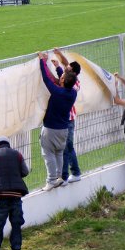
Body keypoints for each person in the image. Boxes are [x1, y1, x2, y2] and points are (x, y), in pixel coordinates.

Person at [38, 52, 78, 191]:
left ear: (62, 81)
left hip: (50, 129)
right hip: (63, 129)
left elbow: (46, 78)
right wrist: (59, 69)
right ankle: (60, 177)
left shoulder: (57, 92)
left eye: (62, 77)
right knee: (59, 153)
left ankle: (51, 181)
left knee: (48, 153)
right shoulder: (73, 93)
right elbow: (66, 81)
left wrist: (42, 61)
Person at [51, 48, 82, 185]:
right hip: (67, 119)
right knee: (66, 148)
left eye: (68, 70)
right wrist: (59, 55)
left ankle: (69, 175)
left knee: (66, 148)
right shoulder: (71, 78)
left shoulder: (74, 84)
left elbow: (63, 81)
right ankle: (69, 174)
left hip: (68, 120)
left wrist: (59, 66)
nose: (65, 70)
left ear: (73, 73)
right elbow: (65, 66)